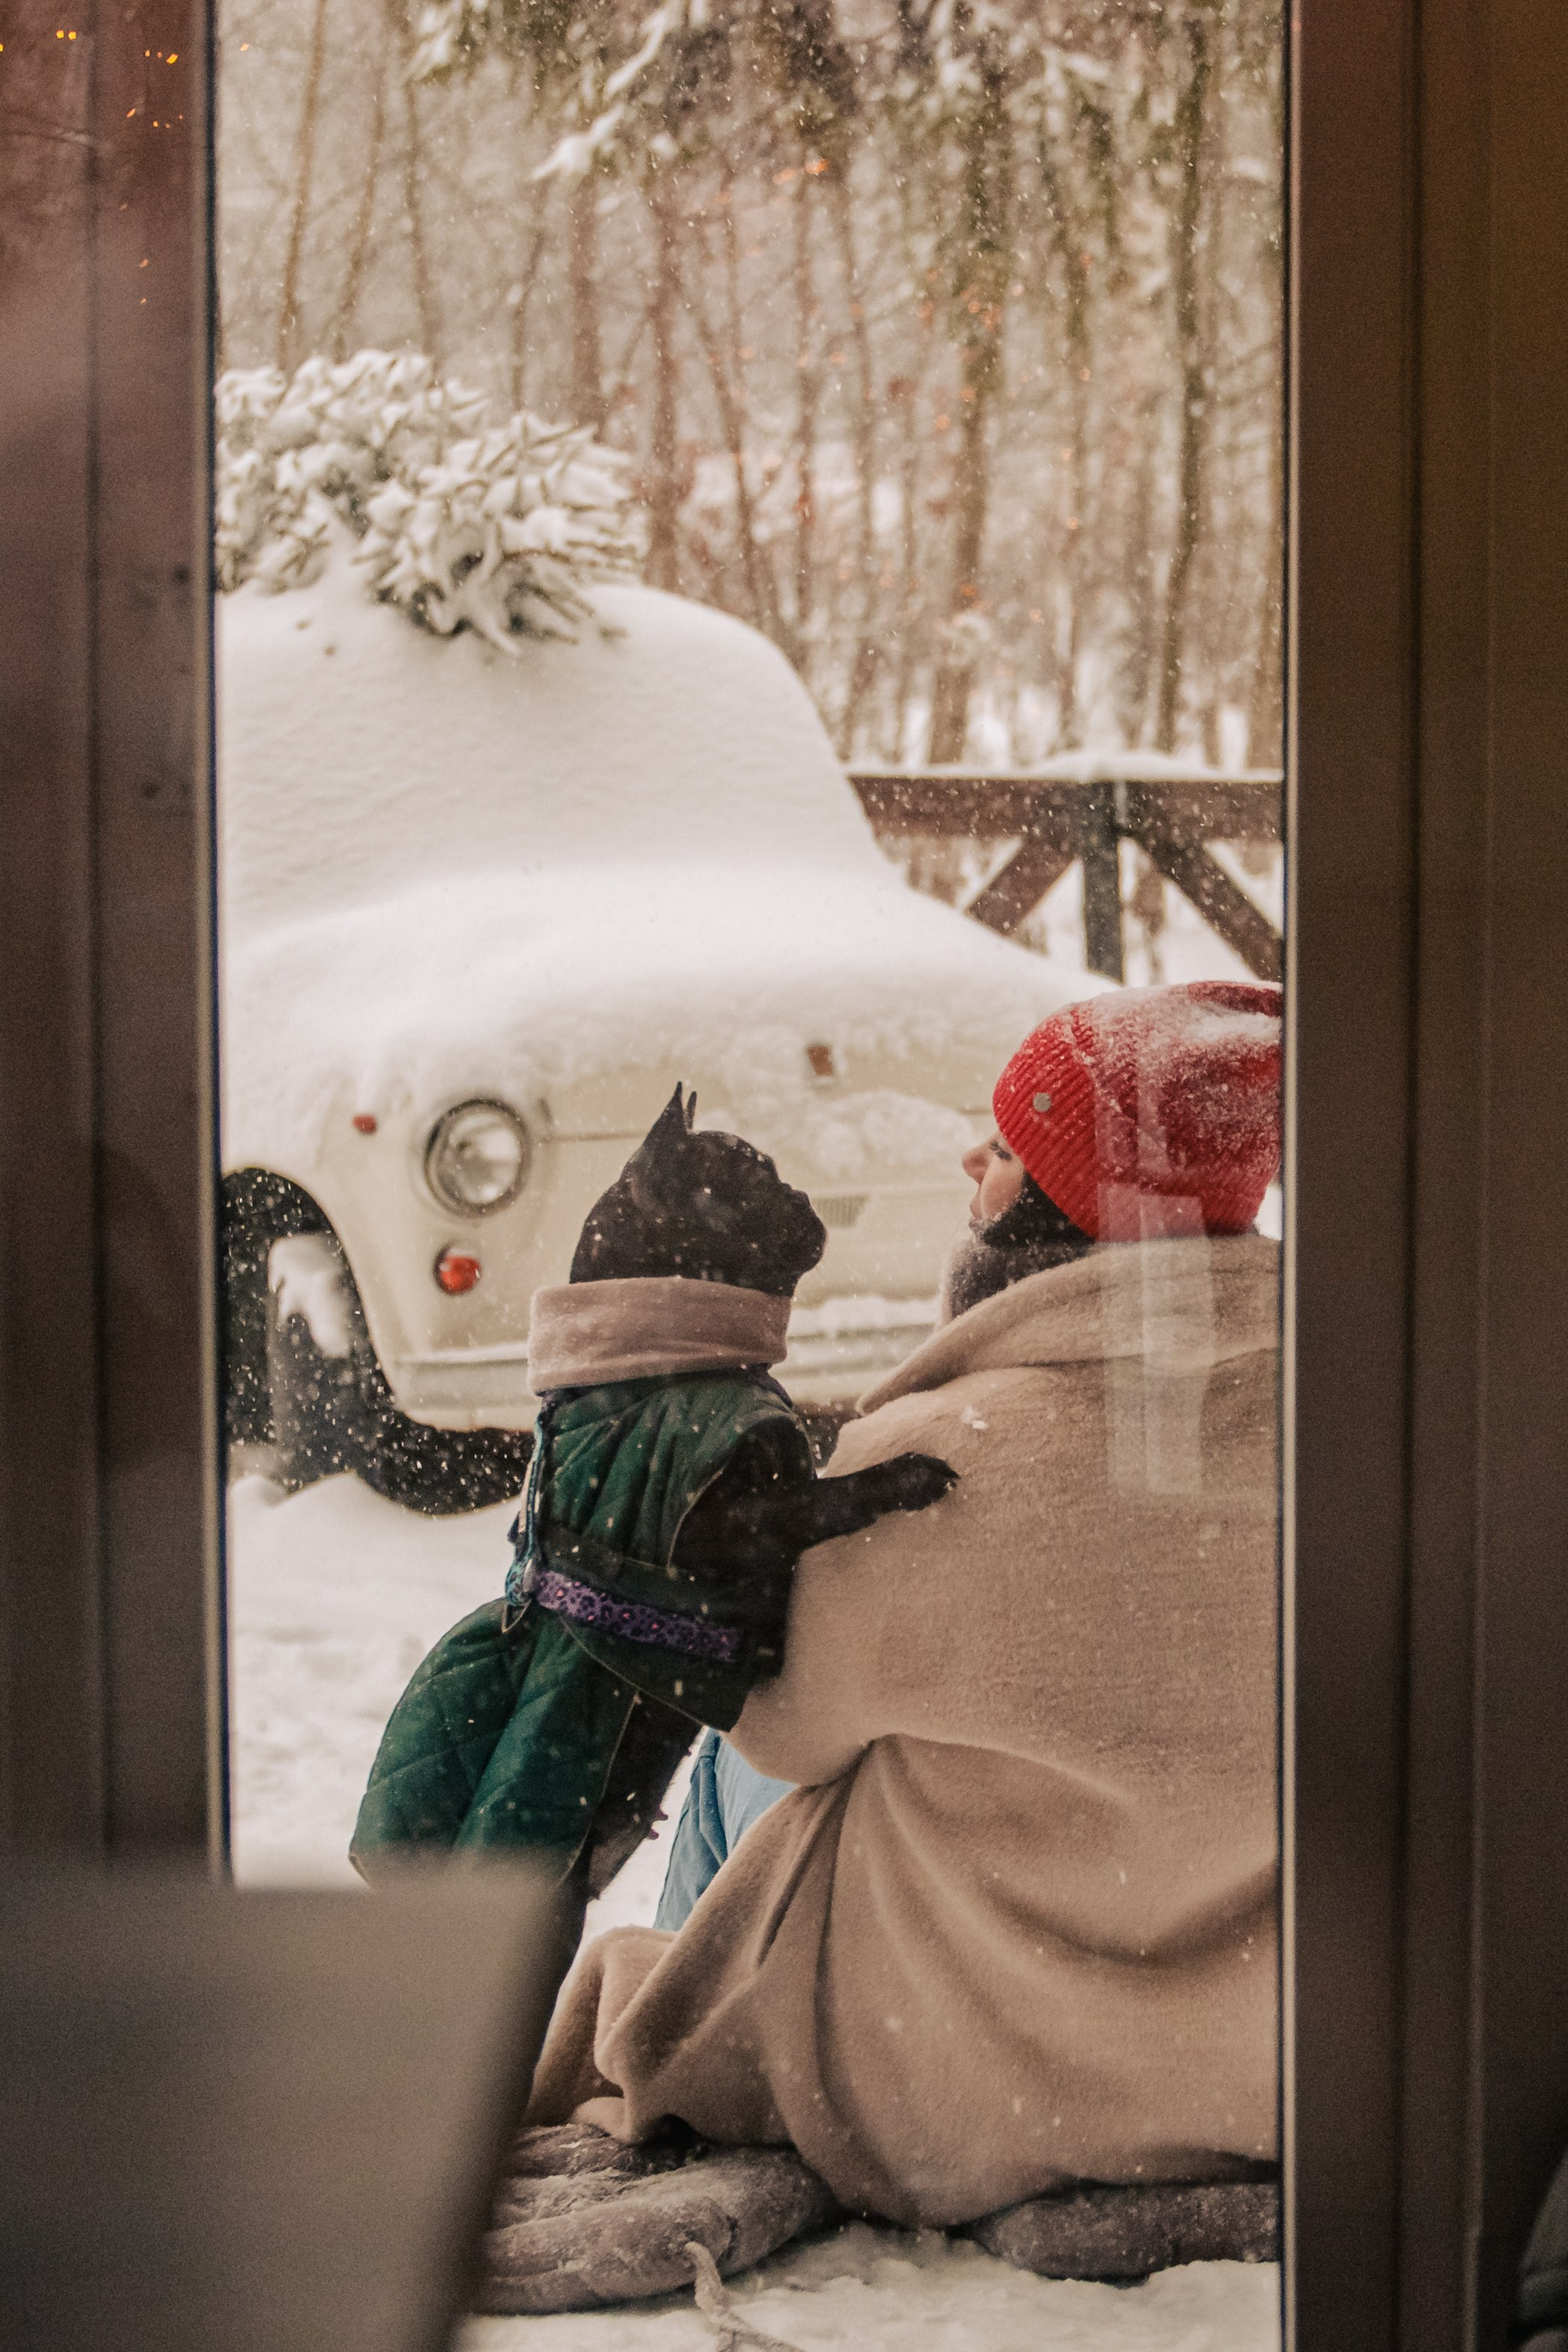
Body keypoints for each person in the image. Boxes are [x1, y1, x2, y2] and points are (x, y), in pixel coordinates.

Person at [526, 980, 1283, 2232]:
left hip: (964, 2096)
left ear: (1058, 1208)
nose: (968, 1159)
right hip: (1247, 2058)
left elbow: (781, 1729)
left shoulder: (953, 1457)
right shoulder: (1335, 1430)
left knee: (745, 1737)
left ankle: (687, 2092)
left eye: (1007, 1147)